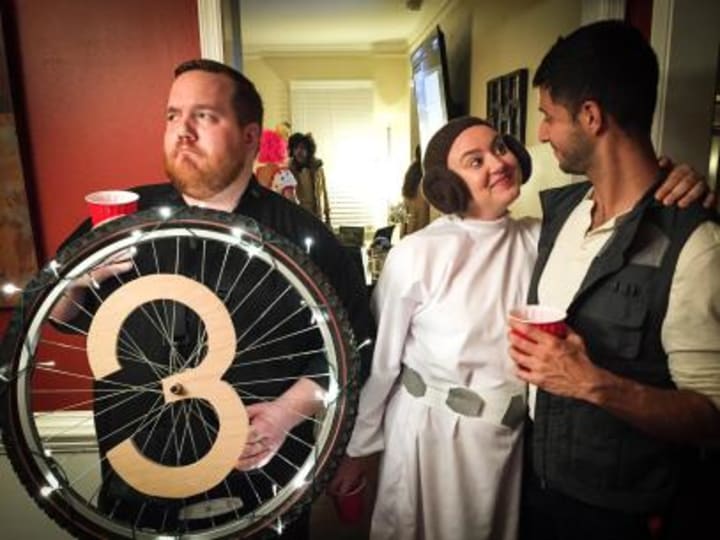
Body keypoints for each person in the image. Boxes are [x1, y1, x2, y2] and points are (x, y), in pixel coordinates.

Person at [327, 114, 708, 540]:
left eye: (500, 147)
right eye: (475, 161)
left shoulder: (543, 236)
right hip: (434, 437)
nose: (498, 162)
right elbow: (381, 365)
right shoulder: (417, 254)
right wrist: (357, 450)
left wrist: (669, 183)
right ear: (445, 186)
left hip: (510, 442)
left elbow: (618, 204)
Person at [51, 58, 374, 539]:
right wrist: (75, 282)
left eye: (203, 116)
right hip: (136, 496)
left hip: (266, 494)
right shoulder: (119, 221)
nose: (182, 131)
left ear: (249, 136)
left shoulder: (307, 239)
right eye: (172, 115)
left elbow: (353, 350)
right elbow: (57, 316)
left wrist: (287, 412)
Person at [507, 21, 720, 540]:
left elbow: (712, 416)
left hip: (619, 516)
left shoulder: (696, 245)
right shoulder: (561, 215)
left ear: (591, 116)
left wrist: (591, 383)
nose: (541, 133)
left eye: (547, 116)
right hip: (536, 485)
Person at [288, 132, 331, 226]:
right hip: (298, 218)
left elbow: (324, 193)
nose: (299, 151)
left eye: (302, 148)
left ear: (309, 150)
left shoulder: (318, 170)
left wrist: (328, 218)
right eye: (296, 148)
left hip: (317, 217)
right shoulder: (289, 171)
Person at [400, 144, 430, 237]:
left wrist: (402, 236)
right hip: (422, 235)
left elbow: (405, 213)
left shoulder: (411, 176)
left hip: (410, 233)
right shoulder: (426, 179)